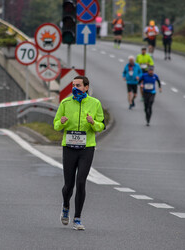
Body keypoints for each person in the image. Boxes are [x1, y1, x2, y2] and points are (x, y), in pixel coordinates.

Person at [54, 76, 105, 231]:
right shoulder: (65, 103)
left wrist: (92, 122)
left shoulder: (95, 103)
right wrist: (61, 122)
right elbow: (56, 125)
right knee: (68, 185)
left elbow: (101, 126)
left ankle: (77, 218)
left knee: (81, 182)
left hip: (86, 148)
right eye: (73, 85)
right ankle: (65, 206)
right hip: (69, 147)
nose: (75, 87)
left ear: (86, 87)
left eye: (78, 85)